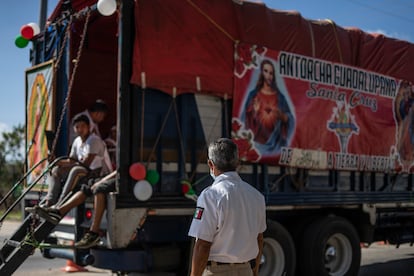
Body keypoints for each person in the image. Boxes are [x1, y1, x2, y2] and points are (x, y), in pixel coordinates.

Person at [188, 138, 266, 276]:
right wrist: (254, 272)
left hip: (217, 271)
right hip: (245, 269)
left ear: (210, 164)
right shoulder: (256, 196)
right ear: (237, 163)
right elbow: (259, 239)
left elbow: (202, 245)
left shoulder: (210, 195)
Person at [28, 171, 117, 249]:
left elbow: (120, 170)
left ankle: (93, 233)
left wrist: (102, 181)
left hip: (122, 178)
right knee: (87, 186)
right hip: (111, 175)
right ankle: (59, 211)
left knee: (98, 188)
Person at [43, 114, 111, 207]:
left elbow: (86, 163)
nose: (80, 129)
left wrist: (67, 167)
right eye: (77, 127)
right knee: (56, 170)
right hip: (84, 169)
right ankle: (49, 201)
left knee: (76, 170)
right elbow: (71, 160)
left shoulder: (94, 140)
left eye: (83, 126)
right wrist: (56, 162)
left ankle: (61, 202)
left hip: (97, 173)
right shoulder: (77, 141)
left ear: (89, 127)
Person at [241, 59, 294, 155]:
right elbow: (244, 121)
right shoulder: (253, 95)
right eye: (266, 71)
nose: (269, 76)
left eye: (271, 73)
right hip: (257, 145)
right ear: (261, 73)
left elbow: (290, 119)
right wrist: (254, 112)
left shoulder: (280, 98)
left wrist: (284, 117)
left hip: (276, 145)